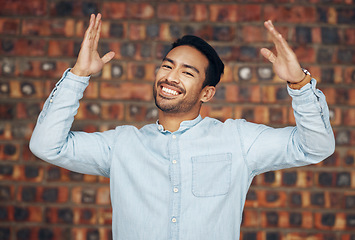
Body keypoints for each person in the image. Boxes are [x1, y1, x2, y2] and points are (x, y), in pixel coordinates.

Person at [30, 13, 335, 240]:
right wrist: (79, 74)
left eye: (187, 72)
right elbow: (47, 146)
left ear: (207, 93)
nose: (171, 76)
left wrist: (299, 83)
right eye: (167, 65)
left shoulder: (238, 140)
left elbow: (315, 146)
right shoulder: (122, 145)